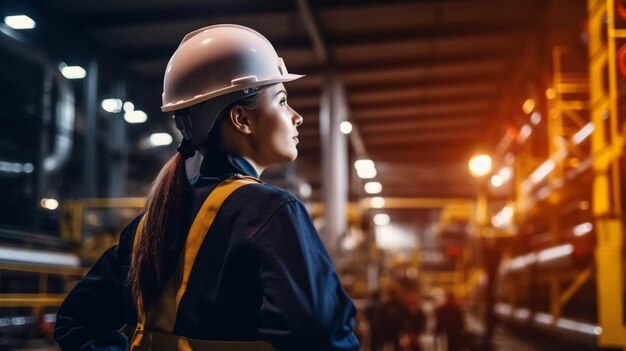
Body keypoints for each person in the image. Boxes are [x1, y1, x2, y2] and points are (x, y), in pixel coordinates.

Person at [53, 24, 360, 351]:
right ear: (241, 119)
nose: (296, 117)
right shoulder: (271, 212)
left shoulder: (149, 225)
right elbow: (318, 335)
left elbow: (76, 322)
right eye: (282, 101)